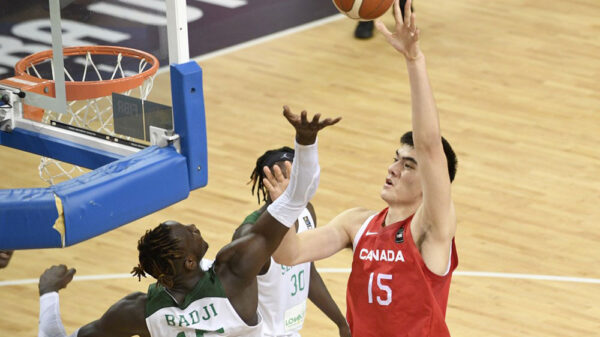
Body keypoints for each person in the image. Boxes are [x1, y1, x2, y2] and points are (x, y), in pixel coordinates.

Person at [36, 107, 341, 337]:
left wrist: (49, 293)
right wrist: (305, 142)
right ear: (191, 263)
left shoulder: (136, 311)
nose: (195, 228)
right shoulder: (233, 273)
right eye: (189, 234)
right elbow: (293, 198)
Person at [273, 0, 458, 336]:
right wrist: (286, 204)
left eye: (408, 165)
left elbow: (431, 147)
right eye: (395, 158)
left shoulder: (431, 228)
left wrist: (414, 60)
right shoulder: (356, 223)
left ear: (431, 182)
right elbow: (290, 253)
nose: (393, 169)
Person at [232, 146, 350, 337]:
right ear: (267, 183)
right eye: (283, 176)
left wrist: (341, 323)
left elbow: (308, 272)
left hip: (290, 332)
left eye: (296, 176)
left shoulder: (306, 212)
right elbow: (235, 299)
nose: (294, 183)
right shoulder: (250, 235)